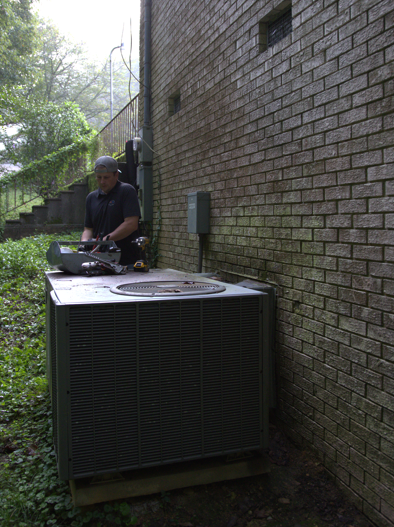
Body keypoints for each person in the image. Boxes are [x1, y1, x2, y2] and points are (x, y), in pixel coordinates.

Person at [81, 155, 141, 266]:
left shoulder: (126, 191)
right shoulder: (91, 198)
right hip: (98, 261)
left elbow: (131, 224)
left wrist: (103, 241)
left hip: (125, 262)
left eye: (106, 177)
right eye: (99, 177)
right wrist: (84, 244)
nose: (102, 181)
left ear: (116, 174)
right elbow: (88, 229)